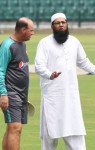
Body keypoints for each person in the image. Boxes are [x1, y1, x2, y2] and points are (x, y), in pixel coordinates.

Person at [35, 13, 95, 150]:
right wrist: (50, 74)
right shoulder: (44, 43)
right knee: (49, 137)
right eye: (58, 23)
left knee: (75, 132)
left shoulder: (74, 41)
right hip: (52, 96)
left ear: (67, 24)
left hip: (70, 97)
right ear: (52, 26)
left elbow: (83, 62)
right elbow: (39, 66)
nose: (61, 25)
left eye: (64, 22)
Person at [0, 17, 34, 150]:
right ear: (23, 30)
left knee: (12, 128)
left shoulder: (22, 44)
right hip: (10, 93)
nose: (32, 33)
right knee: (16, 127)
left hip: (22, 94)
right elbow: (0, 71)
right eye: (31, 30)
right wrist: (3, 94)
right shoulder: (7, 46)